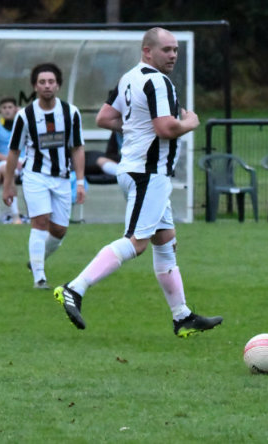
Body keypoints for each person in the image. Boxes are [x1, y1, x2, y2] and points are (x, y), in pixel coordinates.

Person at [53, 27, 222, 337]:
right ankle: (74, 288)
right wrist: (190, 122)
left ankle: (182, 316)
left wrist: (135, 127)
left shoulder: (129, 77)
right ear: (147, 51)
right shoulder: (158, 82)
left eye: (175, 50)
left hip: (136, 170)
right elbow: (166, 128)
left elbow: (105, 118)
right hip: (148, 173)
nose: (173, 55)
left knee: (165, 241)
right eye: (166, 49)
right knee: (136, 242)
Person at [2, 63, 86, 289]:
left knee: (59, 231)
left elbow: (77, 148)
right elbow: (14, 151)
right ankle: (39, 278)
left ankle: (36, 260)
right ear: (34, 86)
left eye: (51, 82)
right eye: (42, 82)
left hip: (62, 177)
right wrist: (8, 184)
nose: (47, 86)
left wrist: (80, 182)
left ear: (58, 85)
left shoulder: (71, 113)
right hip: (35, 175)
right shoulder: (25, 115)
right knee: (40, 222)